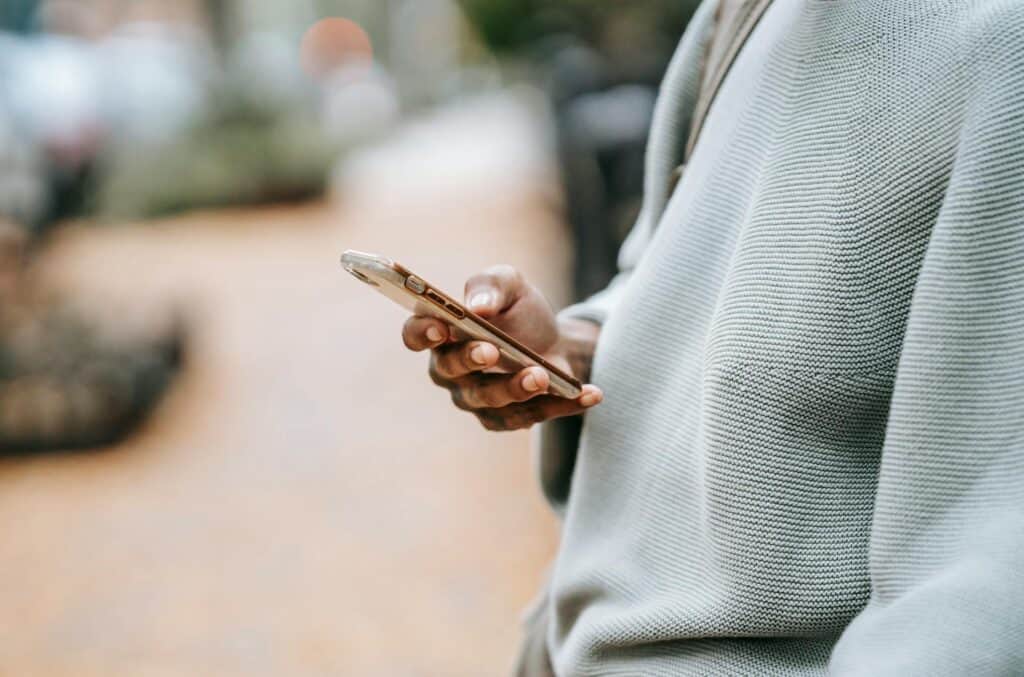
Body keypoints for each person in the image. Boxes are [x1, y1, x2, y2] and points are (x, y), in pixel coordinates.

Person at [402, 0, 1024, 674]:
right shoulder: (741, 12)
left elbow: (986, 569)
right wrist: (573, 348)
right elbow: (679, 277)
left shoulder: (1000, 43)